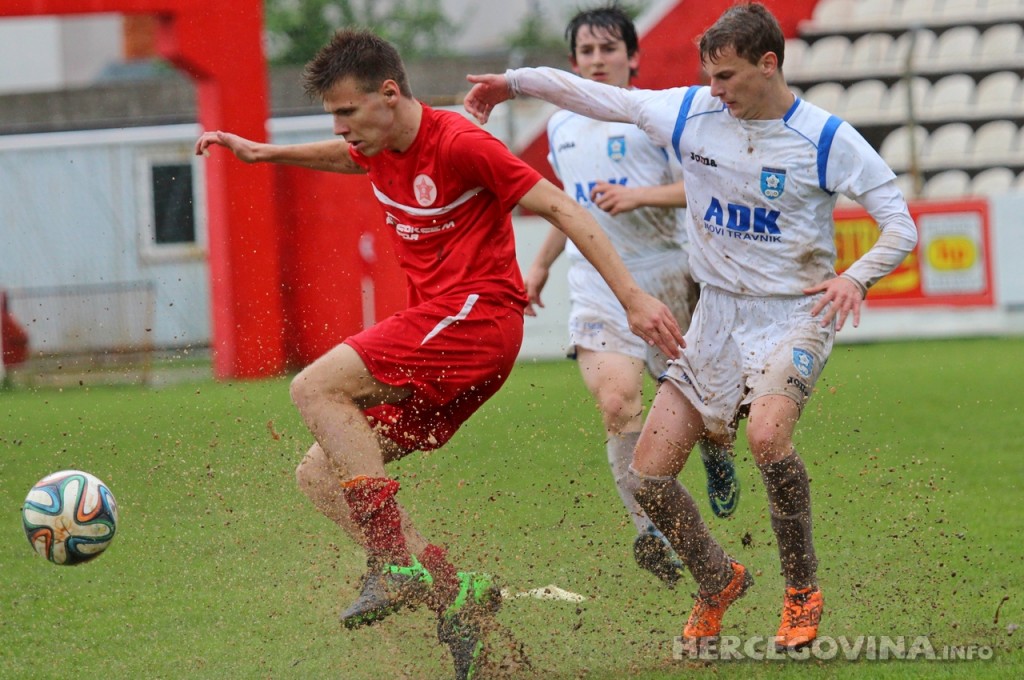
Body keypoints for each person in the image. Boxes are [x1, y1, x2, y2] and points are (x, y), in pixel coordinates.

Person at [195, 28, 683, 678]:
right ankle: (457, 597)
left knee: (314, 387)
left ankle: (395, 562)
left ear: (389, 95)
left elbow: (563, 208)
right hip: (444, 337)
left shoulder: (458, 142)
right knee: (317, 476)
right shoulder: (375, 144)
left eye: (347, 113)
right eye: (333, 117)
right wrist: (261, 153)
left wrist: (632, 298)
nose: (341, 129)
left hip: (476, 322)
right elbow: (350, 159)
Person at [464, 1, 918, 651]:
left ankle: (801, 589)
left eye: (727, 77)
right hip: (715, 316)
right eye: (708, 76)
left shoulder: (825, 138)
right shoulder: (691, 111)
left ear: (769, 64)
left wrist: (855, 276)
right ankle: (716, 578)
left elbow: (900, 225)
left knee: (766, 434)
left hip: (795, 313)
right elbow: (592, 95)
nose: (714, 91)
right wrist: (512, 83)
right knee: (648, 475)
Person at [524, 4, 740, 590]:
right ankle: (651, 527)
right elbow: (565, 205)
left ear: (632, 57)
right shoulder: (561, 125)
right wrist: (540, 266)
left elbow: (704, 188)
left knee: (707, 411)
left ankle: (718, 445)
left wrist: (641, 195)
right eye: (587, 53)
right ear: (574, 62)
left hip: (667, 276)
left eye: (608, 50)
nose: (597, 60)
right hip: (594, 282)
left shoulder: (657, 118)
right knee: (617, 403)